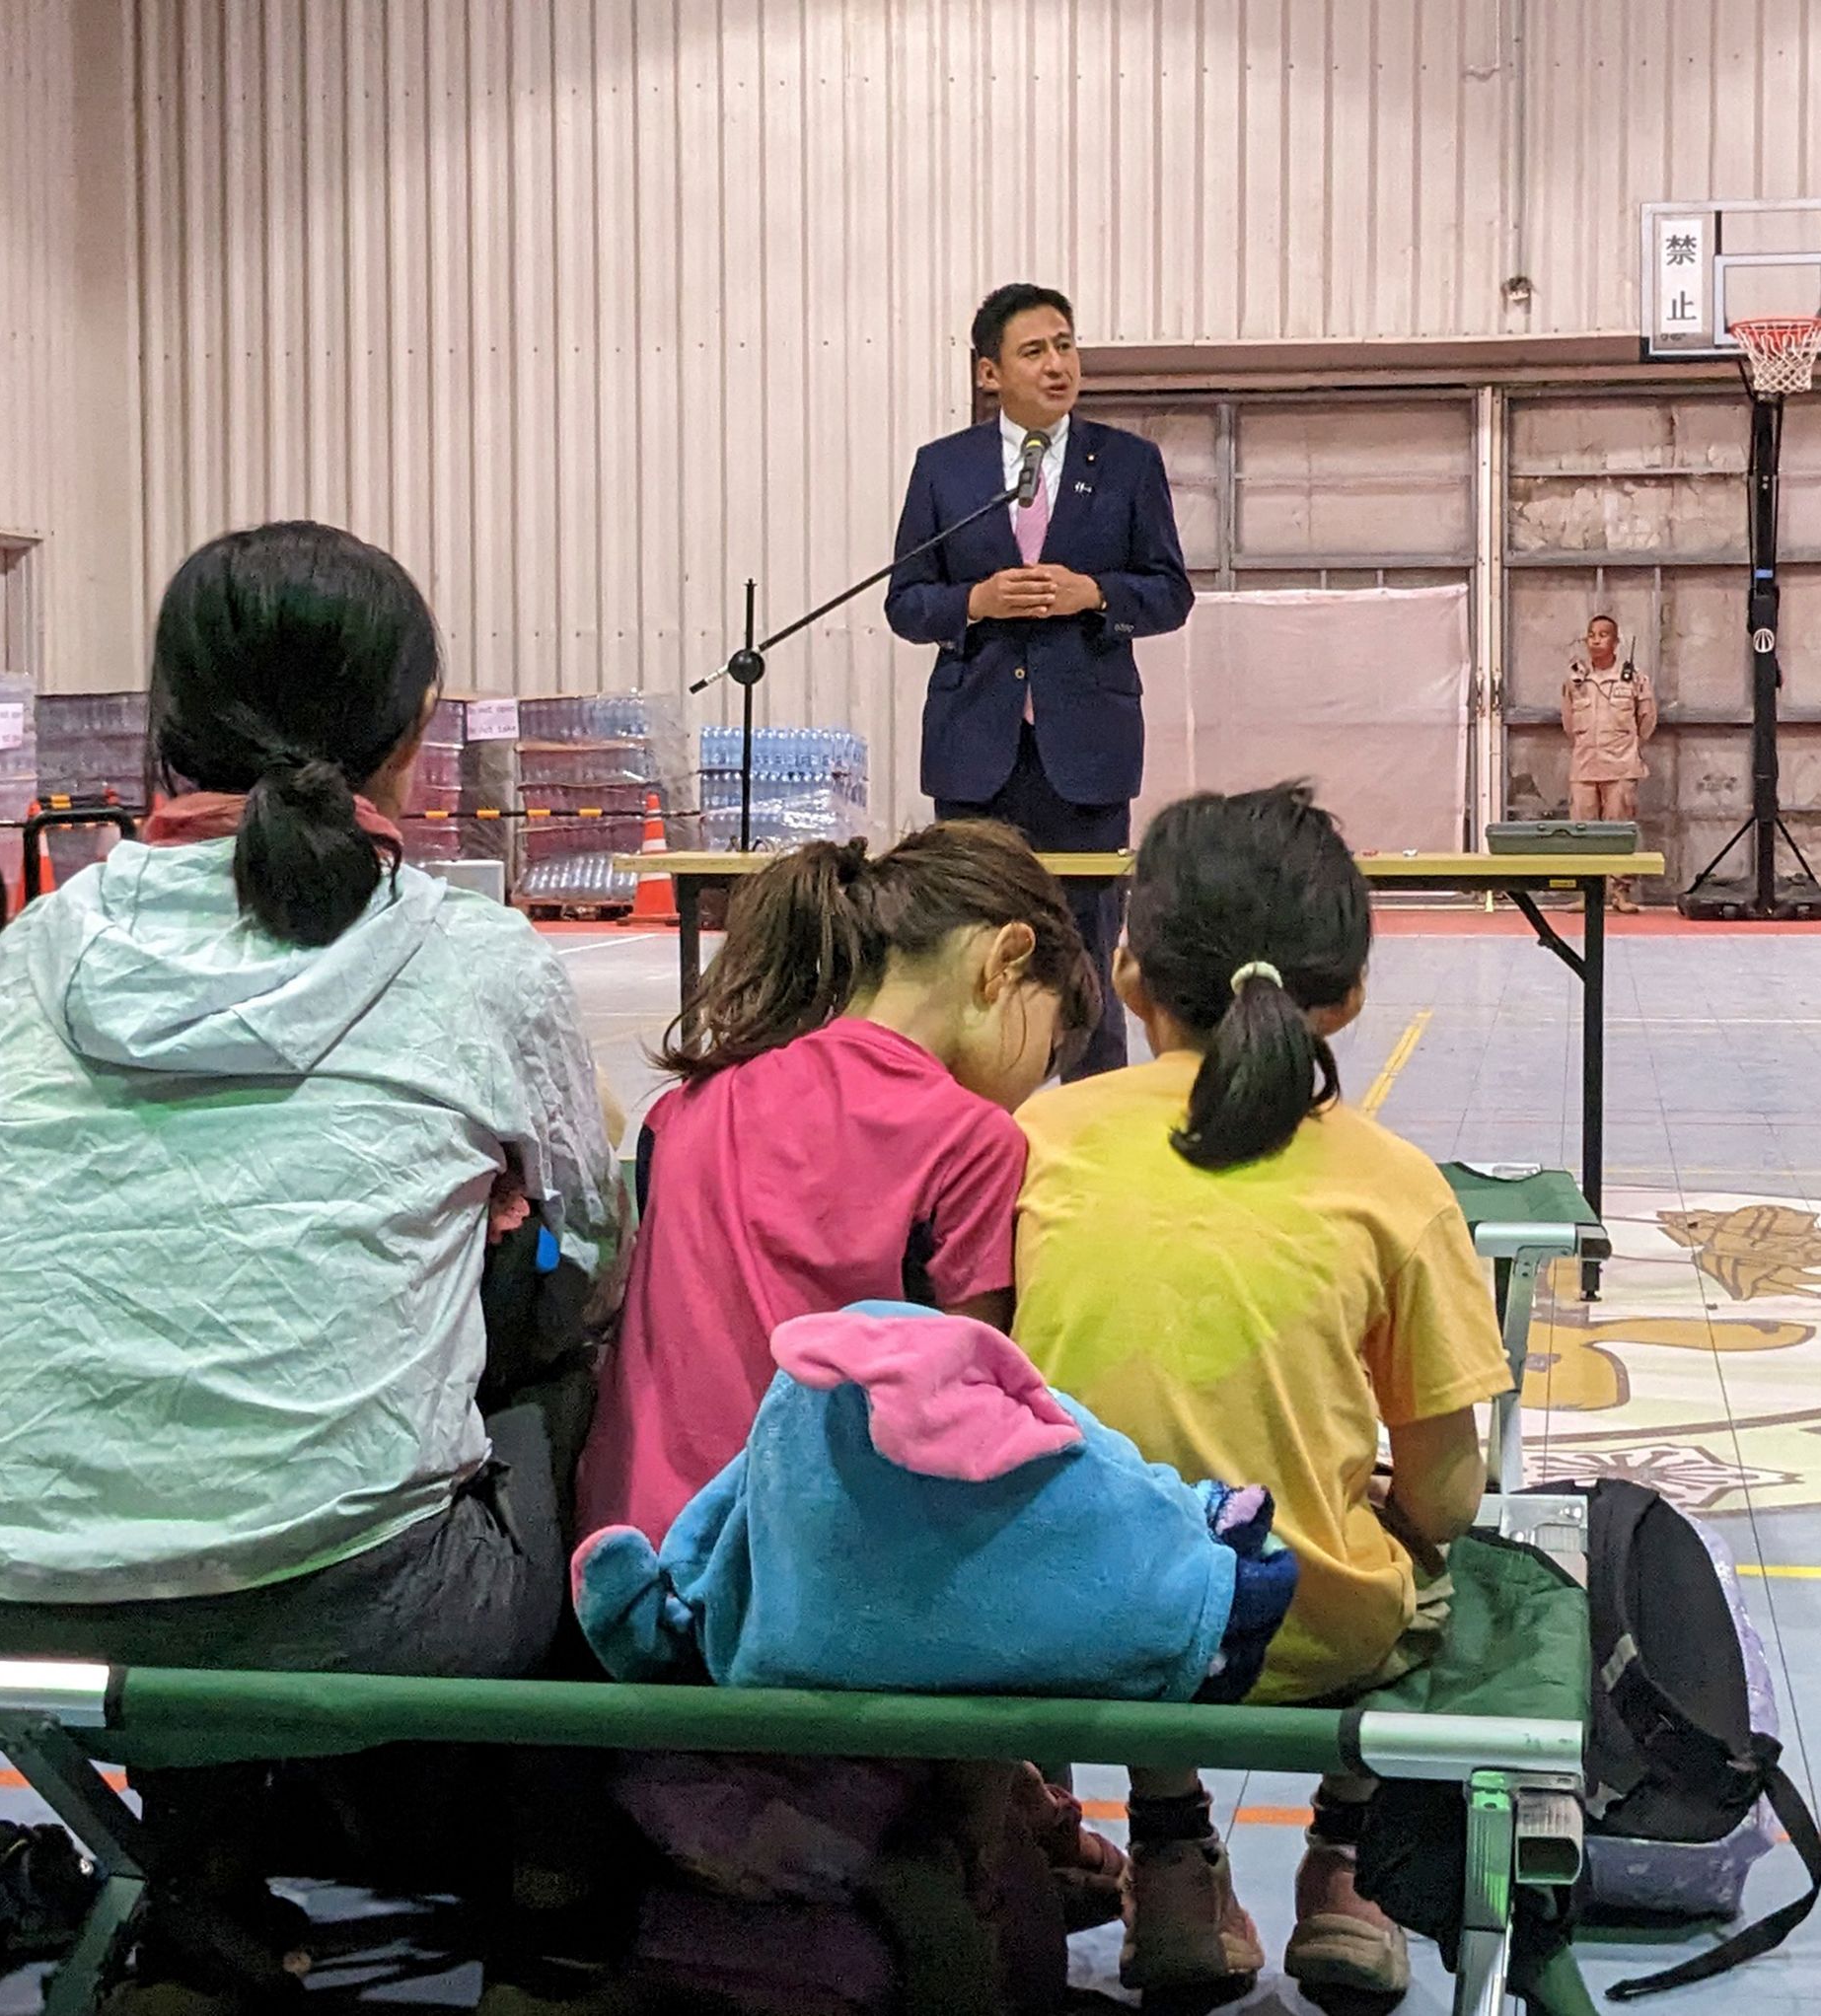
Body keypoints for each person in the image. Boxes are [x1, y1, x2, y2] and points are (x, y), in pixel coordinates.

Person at [0, 521, 622, 2009]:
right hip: (362, 1614)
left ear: (169, 717)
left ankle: (206, 1898)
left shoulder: (34, 949)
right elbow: (589, 1247)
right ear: (414, 735)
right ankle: (557, 1914)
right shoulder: (475, 957)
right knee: (579, 1384)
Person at [1011, 783, 1510, 2006]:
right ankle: (1348, 1860)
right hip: (1298, 1637)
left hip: (1068, 1627)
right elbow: (1445, 1495)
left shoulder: (1036, 1134)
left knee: (1129, 1525)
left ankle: (1172, 1853)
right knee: (1418, 1558)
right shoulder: (1392, 1183)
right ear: (1345, 992)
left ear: (1127, 970)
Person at [574, 824, 1098, 1545]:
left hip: (626, 1545)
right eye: (1050, 1040)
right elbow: (966, 1413)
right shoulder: (972, 1140)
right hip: (796, 1578)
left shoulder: (686, 1106)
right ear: (1004, 962)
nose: (1037, 1079)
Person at [885, 282, 1194, 1080]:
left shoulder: (1128, 464)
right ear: (991, 373)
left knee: (1084, 952)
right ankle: (961, 1124)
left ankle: (1090, 1127)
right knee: (966, 949)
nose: (1058, 365)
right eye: (1035, 351)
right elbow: (906, 601)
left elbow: (1170, 592)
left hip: (1084, 749)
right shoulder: (943, 469)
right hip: (974, 747)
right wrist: (975, 602)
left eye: (1066, 345)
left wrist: (1095, 594)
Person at [1564, 613, 1657, 912]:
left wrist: (1628, 747)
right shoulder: (1576, 678)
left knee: (1619, 831)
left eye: (1603, 635)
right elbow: (1568, 720)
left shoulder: (1633, 678)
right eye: (1591, 634)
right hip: (1584, 765)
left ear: (1616, 642)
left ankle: (1620, 891)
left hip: (1620, 766)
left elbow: (1647, 720)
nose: (1596, 640)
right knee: (1582, 831)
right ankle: (1586, 892)